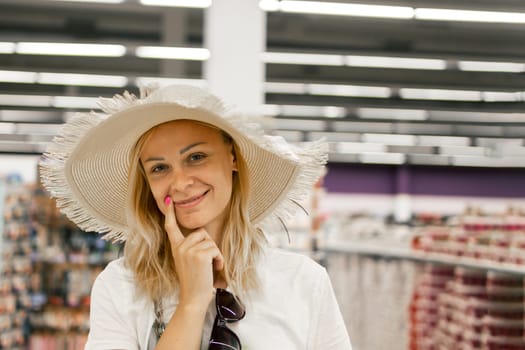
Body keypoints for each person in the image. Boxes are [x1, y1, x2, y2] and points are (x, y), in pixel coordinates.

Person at [39, 84, 351, 349]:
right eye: (160, 168)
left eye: (196, 157)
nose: (181, 182)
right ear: (147, 183)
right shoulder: (121, 285)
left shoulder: (303, 281)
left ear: (233, 158)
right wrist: (191, 302)